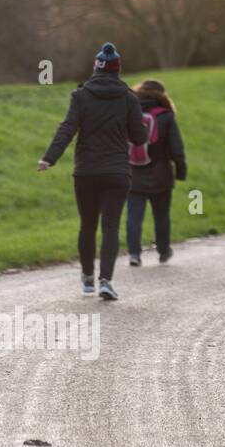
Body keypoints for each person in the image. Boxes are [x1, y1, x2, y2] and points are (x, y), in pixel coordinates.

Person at [38, 42, 146, 301]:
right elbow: (140, 138)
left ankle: (87, 278)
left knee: (87, 225)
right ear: (117, 70)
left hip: (86, 171)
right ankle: (105, 281)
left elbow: (67, 129)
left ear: (96, 68)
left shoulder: (81, 96)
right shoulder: (129, 98)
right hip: (117, 171)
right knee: (111, 227)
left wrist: (49, 158)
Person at [126, 79, 187, 267]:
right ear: (162, 95)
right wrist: (180, 169)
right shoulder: (166, 116)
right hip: (160, 173)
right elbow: (176, 146)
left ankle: (134, 254)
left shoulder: (128, 111)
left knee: (134, 216)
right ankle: (163, 251)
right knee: (161, 215)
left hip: (132, 172)